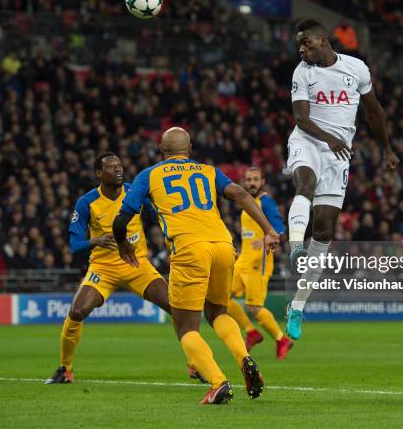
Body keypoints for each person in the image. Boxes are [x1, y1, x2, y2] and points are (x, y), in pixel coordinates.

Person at [113, 127, 280, 404]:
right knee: (218, 311)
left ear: (160, 150)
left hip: (190, 249)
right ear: (189, 149)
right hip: (224, 246)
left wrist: (122, 244)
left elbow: (121, 220)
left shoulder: (149, 175)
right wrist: (269, 230)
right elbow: (239, 193)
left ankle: (217, 382)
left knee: (186, 326)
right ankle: (244, 358)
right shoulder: (208, 171)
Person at [285, 19, 399, 340]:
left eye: (306, 43)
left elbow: (374, 112)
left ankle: (297, 307)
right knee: (304, 185)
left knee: (323, 231)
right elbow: (301, 118)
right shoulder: (302, 72)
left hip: (339, 156)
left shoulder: (356, 69)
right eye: (299, 45)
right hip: (307, 141)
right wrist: (328, 138)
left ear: (323, 40)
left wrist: (387, 149)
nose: (302, 49)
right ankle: (295, 248)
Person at [45, 152, 171, 384]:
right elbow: (74, 245)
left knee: (177, 307)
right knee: (76, 312)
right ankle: (65, 368)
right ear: (99, 174)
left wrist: (169, 240)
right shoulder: (86, 203)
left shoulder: (135, 192)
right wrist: (95, 240)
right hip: (103, 268)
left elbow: (160, 218)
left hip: (137, 265)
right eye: (111, 167)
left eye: (120, 166)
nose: (118, 170)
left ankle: (194, 365)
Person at [226, 167, 293, 359]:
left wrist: (266, 239)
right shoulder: (248, 202)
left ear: (262, 180)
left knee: (255, 308)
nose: (252, 183)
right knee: (221, 298)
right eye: (249, 179)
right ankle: (251, 332)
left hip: (259, 263)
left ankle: (282, 339)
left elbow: (279, 229)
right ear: (244, 182)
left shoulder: (266, 202)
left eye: (256, 179)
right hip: (243, 261)